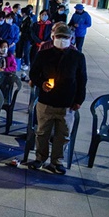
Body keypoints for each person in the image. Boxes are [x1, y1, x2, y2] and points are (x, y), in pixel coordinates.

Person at [28, 24, 87, 175]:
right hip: (46, 101)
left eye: (65, 38)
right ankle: (40, 158)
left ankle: (57, 161)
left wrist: (79, 100)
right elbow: (33, 74)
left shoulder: (77, 57)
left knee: (63, 135)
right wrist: (41, 83)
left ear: (71, 39)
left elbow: (82, 79)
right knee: (42, 132)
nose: (62, 40)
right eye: (59, 37)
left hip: (67, 102)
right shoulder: (44, 55)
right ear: (53, 37)